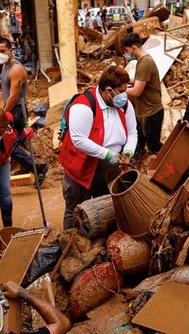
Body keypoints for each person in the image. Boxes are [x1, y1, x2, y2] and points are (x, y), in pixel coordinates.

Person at [59, 66, 137, 229]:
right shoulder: (84, 105)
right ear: (108, 90)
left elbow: (132, 132)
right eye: (121, 91)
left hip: (110, 164)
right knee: (75, 210)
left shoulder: (124, 105)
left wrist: (128, 151)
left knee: (107, 207)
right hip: (82, 165)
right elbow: (79, 140)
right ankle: (72, 247)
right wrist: (108, 154)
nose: (125, 95)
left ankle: (100, 245)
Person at [0, 37, 49, 183]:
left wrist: (3, 114)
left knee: (10, 145)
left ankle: (39, 167)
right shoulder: (5, 66)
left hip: (17, 111)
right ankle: (26, 167)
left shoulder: (16, 69)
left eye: (2, 51)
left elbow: (13, 96)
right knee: (21, 141)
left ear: (10, 51)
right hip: (13, 109)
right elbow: (6, 87)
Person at [124, 32, 164, 155]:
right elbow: (139, 80)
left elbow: (136, 91)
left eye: (127, 51)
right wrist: (122, 81)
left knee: (154, 147)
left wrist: (118, 91)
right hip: (144, 111)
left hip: (151, 112)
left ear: (133, 48)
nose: (126, 54)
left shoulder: (145, 64)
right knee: (139, 140)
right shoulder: (143, 61)